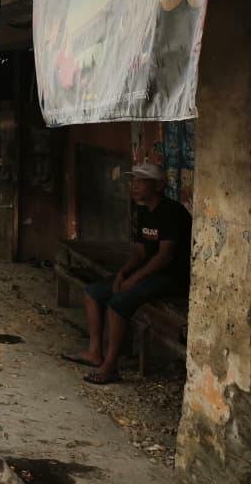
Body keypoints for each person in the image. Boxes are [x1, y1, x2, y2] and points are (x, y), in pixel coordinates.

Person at [63, 163, 192, 384]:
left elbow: (164, 257)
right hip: (147, 273)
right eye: (133, 181)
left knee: (118, 304)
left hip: (172, 277)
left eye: (141, 181)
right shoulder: (144, 211)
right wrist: (123, 273)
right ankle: (95, 352)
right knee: (93, 292)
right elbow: (141, 250)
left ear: (159, 185)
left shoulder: (172, 212)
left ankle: (110, 366)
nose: (134, 186)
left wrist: (134, 279)